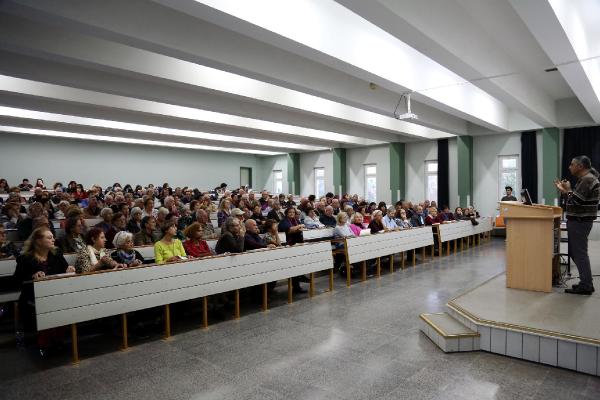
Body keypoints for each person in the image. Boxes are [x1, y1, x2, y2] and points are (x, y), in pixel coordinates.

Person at [14, 228, 75, 348]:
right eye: (49, 237)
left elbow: (65, 269)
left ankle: (57, 338)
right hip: (32, 297)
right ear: (38, 241)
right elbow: (17, 280)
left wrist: (69, 269)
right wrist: (32, 276)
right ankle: (46, 341)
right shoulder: (25, 258)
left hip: (56, 294)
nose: (54, 239)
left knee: (64, 303)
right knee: (50, 305)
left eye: (53, 237)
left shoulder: (57, 254)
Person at [554, 155, 600, 295]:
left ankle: (586, 285)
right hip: (579, 221)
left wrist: (566, 190)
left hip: (580, 222)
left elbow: (577, 202)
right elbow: (577, 199)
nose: (569, 167)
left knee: (579, 254)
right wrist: (565, 191)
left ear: (580, 166)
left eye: (572, 164)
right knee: (576, 253)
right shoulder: (586, 179)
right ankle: (585, 282)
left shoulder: (587, 179)